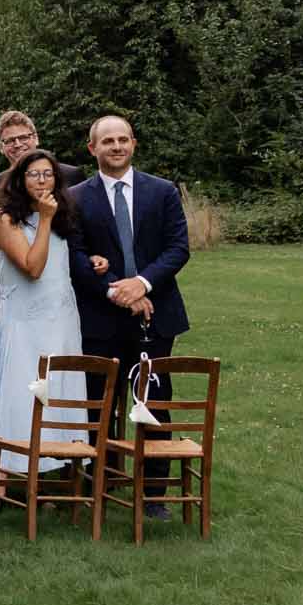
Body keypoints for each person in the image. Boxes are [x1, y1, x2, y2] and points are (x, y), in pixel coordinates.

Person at [69, 114, 191, 518]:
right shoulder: (76, 197)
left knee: (154, 401)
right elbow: (75, 256)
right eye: (108, 141)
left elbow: (177, 248)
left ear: (134, 144)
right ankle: (97, 486)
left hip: (155, 314)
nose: (116, 147)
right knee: (97, 404)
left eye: (123, 140)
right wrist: (116, 291)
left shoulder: (162, 191)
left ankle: (154, 493)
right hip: (100, 318)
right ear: (93, 149)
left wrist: (141, 283)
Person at [0, 149, 94, 484]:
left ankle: (59, 469)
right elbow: (32, 267)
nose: (42, 180)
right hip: (24, 323)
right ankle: (9, 472)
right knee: (21, 393)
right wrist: (43, 220)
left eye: (48, 174)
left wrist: (95, 261)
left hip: (60, 318)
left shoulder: (61, 215)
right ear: (19, 179)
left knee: (62, 390)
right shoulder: (4, 219)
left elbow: (59, 264)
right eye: (33, 174)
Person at [0, 110, 88, 320]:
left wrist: (92, 259)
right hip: (18, 290)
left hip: (68, 288)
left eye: (24, 137)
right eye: (10, 140)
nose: (18, 144)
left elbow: (81, 231)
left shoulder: (71, 176)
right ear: (1, 147)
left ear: (36, 138)